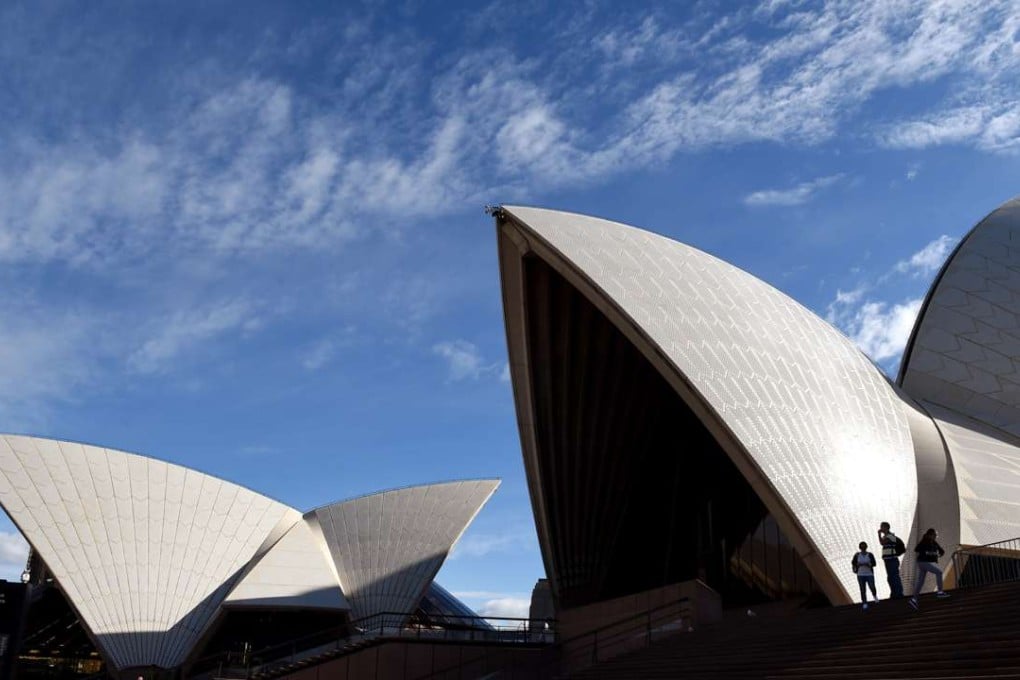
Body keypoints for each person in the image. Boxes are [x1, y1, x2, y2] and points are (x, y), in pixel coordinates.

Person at [909, 527, 951, 610]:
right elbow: (916, 549)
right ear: (930, 535)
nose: (935, 537)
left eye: (936, 536)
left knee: (921, 581)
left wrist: (937, 555)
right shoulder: (924, 541)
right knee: (939, 572)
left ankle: (914, 599)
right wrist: (926, 552)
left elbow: (942, 551)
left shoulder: (934, 542)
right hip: (923, 562)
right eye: (934, 535)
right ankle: (940, 592)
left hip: (927, 562)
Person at [878, 521, 904, 598]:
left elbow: (882, 543)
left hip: (892, 559)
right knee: (890, 577)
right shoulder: (885, 537)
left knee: (894, 576)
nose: (881, 528)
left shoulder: (891, 536)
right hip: (887, 559)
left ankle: (899, 593)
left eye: (882, 527)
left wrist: (878, 534)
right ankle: (894, 593)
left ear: (886, 527)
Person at [851, 541, 878, 610]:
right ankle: (864, 602)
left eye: (864, 546)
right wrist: (858, 565)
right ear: (860, 548)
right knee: (862, 589)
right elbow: (853, 562)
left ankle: (875, 596)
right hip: (860, 574)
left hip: (869, 573)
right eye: (862, 547)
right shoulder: (857, 555)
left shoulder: (870, 554)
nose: (863, 548)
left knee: (872, 586)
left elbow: (874, 563)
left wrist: (868, 564)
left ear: (866, 547)